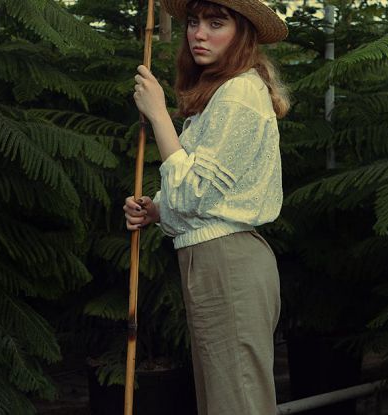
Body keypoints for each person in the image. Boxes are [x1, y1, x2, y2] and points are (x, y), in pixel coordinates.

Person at [122, 0, 289, 413]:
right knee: (224, 401)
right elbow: (205, 195)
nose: (198, 33)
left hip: (227, 262)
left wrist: (158, 114)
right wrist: (158, 209)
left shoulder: (240, 93)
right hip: (217, 259)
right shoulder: (222, 93)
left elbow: (193, 193)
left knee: (237, 404)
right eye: (194, 22)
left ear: (243, 32)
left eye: (216, 23)